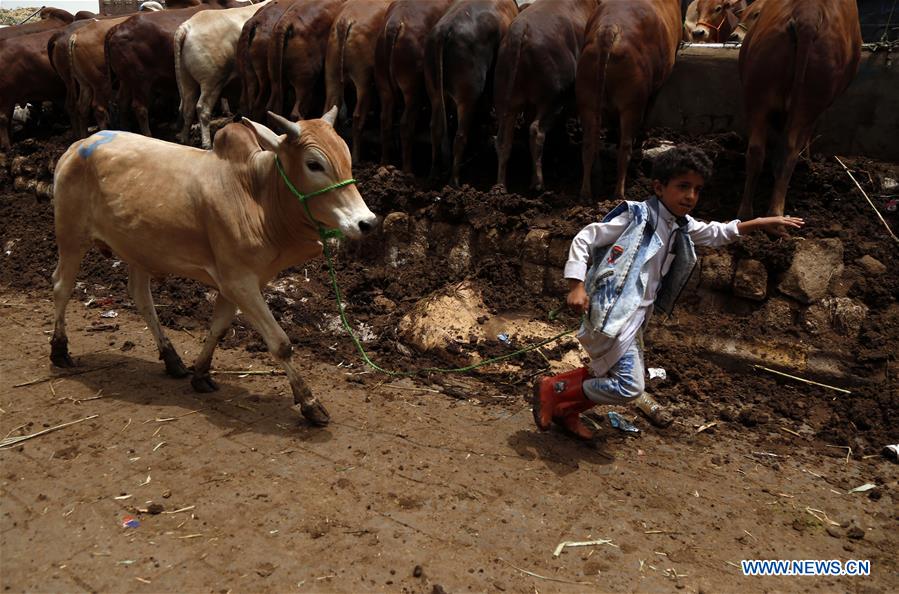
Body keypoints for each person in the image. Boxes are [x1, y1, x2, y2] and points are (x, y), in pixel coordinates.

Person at [533, 145, 804, 439]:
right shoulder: (635, 216)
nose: (690, 196)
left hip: (636, 317)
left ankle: (565, 408)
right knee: (629, 386)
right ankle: (555, 389)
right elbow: (587, 236)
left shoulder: (682, 226)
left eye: (697, 190)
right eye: (683, 186)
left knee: (607, 372)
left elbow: (718, 233)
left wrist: (761, 222)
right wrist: (576, 285)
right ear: (659, 187)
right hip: (613, 312)